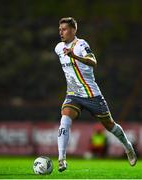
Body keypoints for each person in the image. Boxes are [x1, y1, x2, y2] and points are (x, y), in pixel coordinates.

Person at [54, 17, 137, 172]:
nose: (61, 32)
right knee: (65, 118)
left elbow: (93, 61)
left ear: (73, 30)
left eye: (64, 29)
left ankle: (128, 147)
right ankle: (61, 159)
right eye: (60, 29)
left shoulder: (81, 44)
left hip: (91, 94)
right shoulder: (58, 48)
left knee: (110, 125)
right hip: (73, 94)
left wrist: (75, 56)